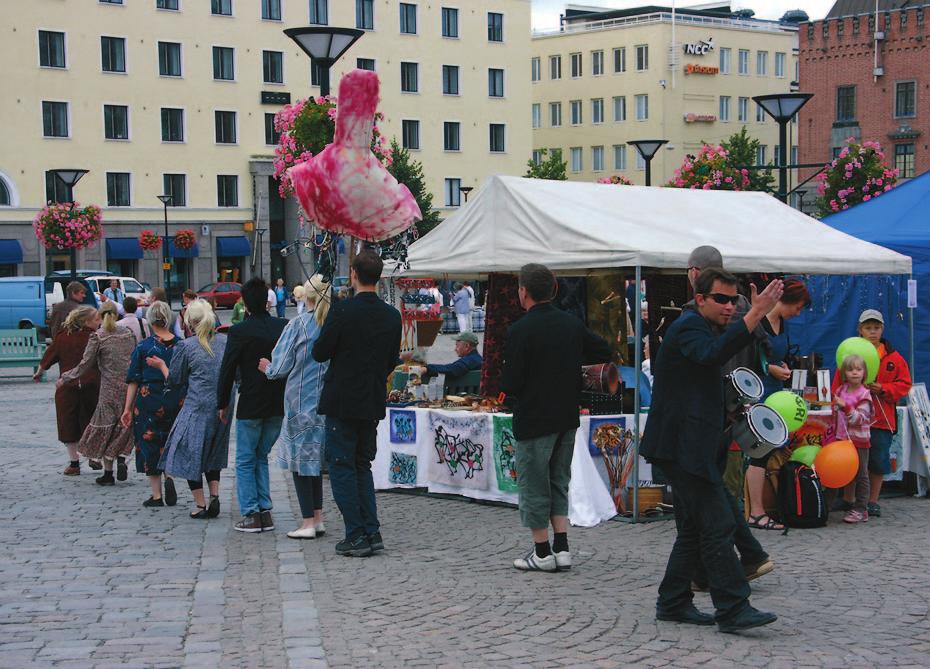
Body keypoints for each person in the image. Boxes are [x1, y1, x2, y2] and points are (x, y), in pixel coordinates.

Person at [642, 268, 782, 632]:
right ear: (700, 298)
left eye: (734, 300)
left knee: (691, 528)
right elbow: (710, 355)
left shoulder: (706, 327)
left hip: (688, 447)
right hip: (681, 448)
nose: (729, 306)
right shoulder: (689, 326)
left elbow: (701, 377)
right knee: (718, 522)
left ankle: (672, 601)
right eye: (721, 299)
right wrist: (755, 314)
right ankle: (733, 608)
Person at [501, 263, 612, 573]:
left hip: (535, 418)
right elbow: (603, 349)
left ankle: (542, 552)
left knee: (535, 484)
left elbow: (510, 383)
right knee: (558, 480)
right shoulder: (570, 324)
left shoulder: (520, 330)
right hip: (566, 415)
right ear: (554, 290)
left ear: (523, 292)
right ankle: (562, 548)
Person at [312, 250, 401, 557]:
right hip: (371, 398)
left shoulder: (342, 311)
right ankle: (371, 530)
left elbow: (320, 352)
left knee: (341, 465)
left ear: (353, 274)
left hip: (342, 400)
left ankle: (356, 534)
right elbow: (392, 359)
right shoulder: (392, 315)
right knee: (362, 464)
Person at [259, 274, 332, 539]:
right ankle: (318, 517)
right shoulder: (332, 324)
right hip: (324, 401)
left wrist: (267, 367)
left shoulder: (299, 324)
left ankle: (307, 522)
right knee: (314, 462)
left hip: (300, 401)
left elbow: (280, 365)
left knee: (301, 464)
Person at [150, 300, 232, 519]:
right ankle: (214, 495)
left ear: (191, 322)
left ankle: (200, 504)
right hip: (223, 408)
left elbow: (175, 381)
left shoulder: (187, 346)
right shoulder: (226, 342)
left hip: (197, 406)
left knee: (189, 452)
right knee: (213, 451)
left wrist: (161, 366)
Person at [217, 278, 288, 533]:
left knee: (246, 459)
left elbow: (227, 370)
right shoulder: (283, 326)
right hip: (277, 402)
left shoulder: (239, 331)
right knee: (261, 456)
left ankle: (251, 513)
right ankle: (265, 509)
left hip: (251, 402)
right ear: (269, 301)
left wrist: (223, 402)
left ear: (245, 303)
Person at [745, 279, 810, 531]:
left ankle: (772, 505)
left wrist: (782, 367)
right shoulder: (758, 321)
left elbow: (776, 355)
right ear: (789, 300)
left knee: (773, 452)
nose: (798, 313)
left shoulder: (782, 325)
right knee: (759, 454)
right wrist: (769, 368)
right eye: (799, 307)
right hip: (758, 394)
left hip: (776, 394)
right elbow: (746, 358)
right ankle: (756, 512)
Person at [833, 309, 912, 519]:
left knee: (877, 460)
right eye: (868, 328)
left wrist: (884, 388)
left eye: (876, 328)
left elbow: (905, 384)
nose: (873, 332)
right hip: (852, 421)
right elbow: (838, 382)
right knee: (851, 460)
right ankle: (848, 498)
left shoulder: (894, 357)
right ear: (860, 330)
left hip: (881, 418)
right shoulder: (850, 354)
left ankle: (872, 501)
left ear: (882, 329)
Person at [59, 302, 136, 485]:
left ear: (101, 317)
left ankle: (108, 474)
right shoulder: (128, 334)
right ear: (117, 315)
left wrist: (66, 377)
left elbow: (85, 364)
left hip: (108, 390)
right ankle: (121, 458)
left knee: (106, 429)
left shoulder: (98, 337)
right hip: (128, 389)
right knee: (124, 426)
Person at [121, 301, 182, 507]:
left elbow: (133, 379)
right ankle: (170, 477)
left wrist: (127, 408)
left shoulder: (144, 346)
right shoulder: (181, 345)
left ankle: (156, 495)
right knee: (170, 440)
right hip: (174, 398)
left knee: (148, 441)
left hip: (149, 398)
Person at [34, 305, 100, 476]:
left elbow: (48, 358)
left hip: (66, 387)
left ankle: (74, 463)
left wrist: (39, 373)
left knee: (68, 423)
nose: (99, 322)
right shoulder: (96, 337)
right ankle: (93, 456)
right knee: (91, 420)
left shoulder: (62, 337)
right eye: (96, 319)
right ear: (86, 322)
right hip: (92, 384)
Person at [831, 354, 873, 524]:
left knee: (861, 474)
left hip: (859, 441)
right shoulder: (840, 390)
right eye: (850, 369)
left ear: (864, 372)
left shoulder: (865, 395)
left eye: (858, 369)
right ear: (844, 373)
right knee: (836, 473)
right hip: (841, 439)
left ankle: (862, 509)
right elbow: (835, 414)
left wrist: (845, 406)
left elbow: (860, 419)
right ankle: (826, 505)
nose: (854, 373)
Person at [402, 331, 482, 380]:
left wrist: (427, 369)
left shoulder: (470, 361)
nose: (455, 349)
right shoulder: (478, 359)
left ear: (467, 346)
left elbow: (451, 369)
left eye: (457, 345)